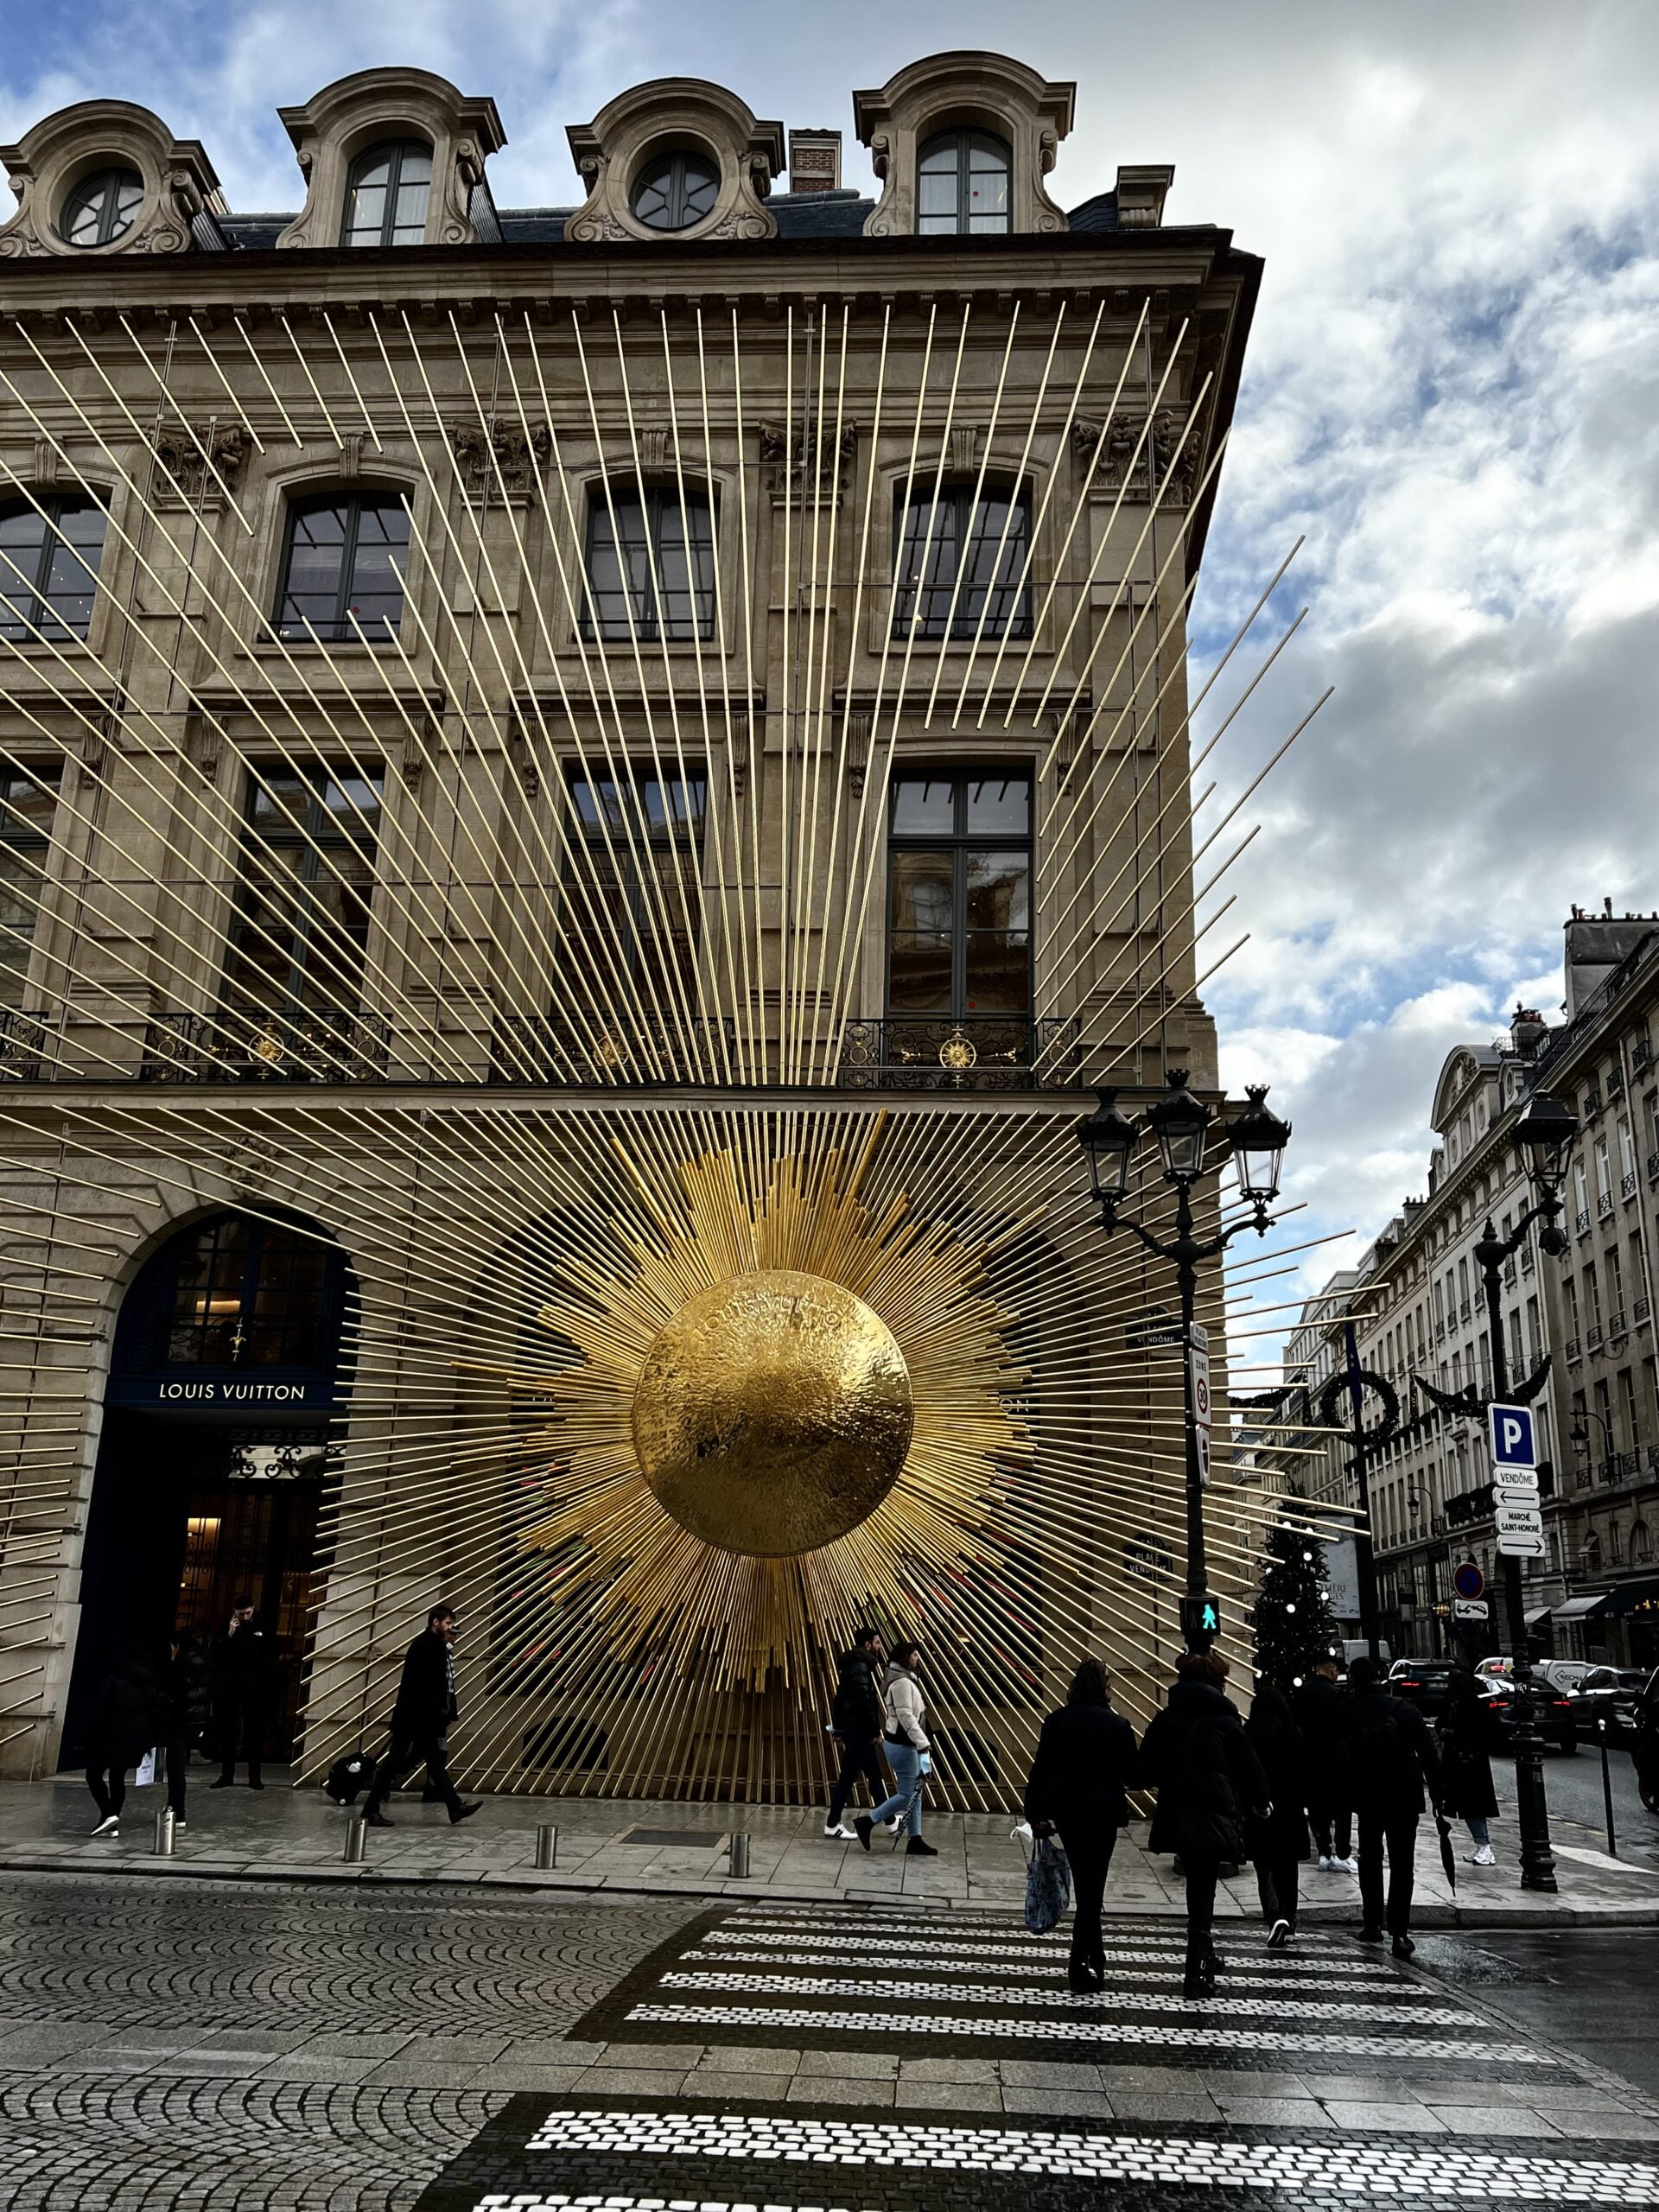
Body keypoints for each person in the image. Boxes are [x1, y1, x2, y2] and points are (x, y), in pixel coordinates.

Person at [1139, 1649, 1269, 1999]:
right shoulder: (1226, 1721)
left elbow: (1143, 1770)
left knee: (1195, 1887)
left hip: (1179, 1812)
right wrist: (1261, 1803)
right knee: (1204, 1889)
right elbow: (1249, 1768)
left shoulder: (1167, 1719)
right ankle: (1198, 1963)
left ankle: (1199, 1958)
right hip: (1215, 1814)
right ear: (1218, 1683)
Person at [1023, 1657, 1139, 1993]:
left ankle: (1096, 1955)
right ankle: (1078, 1962)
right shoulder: (1118, 1726)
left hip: (1068, 1813)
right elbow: (1133, 1774)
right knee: (1093, 1888)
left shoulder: (1056, 1721)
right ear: (1104, 1687)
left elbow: (1040, 1770)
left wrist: (1035, 1813)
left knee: (1087, 1885)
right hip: (1102, 1815)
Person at [1340, 1653, 1442, 1957]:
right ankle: (1399, 1931)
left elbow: (1339, 1757)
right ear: (1378, 1677)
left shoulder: (1347, 1711)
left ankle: (1372, 1924)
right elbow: (1428, 1753)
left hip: (1367, 1794)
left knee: (1370, 1858)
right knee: (1402, 1864)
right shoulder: (1402, 1709)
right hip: (1403, 1794)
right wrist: (1438, 1795)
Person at [363, 1605, 481, 1827]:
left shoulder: (434, 1645)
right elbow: (425, 1686)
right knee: (398, 1763)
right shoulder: (426, 1645)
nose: (450, 1628)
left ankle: (454, 1807)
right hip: (416, 1718)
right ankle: (371, 1810)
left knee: (432, 1762)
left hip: (420, 1718)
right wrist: (436, 1714)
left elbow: (441, 1686)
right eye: (447, 1624)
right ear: (435, 1622)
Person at [855, 1638, 936, 1856]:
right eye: (915, 1655)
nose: (918, 1658)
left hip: (905, 1744)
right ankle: (868, 1821)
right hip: (903, 1745)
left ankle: (915, 1839)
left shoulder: (904, 1679)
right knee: (907, 1794)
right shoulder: (901, 1683)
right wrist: (923, 1743)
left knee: (915, 1792)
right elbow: (906, 1717)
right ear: (905, 1658)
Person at [1246, 1681, 1311, 1947]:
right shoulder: (1293, 1733)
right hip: (1290, 1809)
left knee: (1265, 1868)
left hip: (1261, 1809)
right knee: (1288, 1865)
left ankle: (1274, 1916)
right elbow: (1306, 1772)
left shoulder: (1250, 1732)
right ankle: (1290, 1916)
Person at [824, 1625, 893, 1840]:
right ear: (867, 1645)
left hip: (855, 1729)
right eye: (877, 1642)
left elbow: (840, 1698)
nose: (880, 1647)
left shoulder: (853, 1665)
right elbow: (864, 1701)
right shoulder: (861, 1666)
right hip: (859, 1730)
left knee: (868, 1776)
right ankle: (833, 1824)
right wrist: (875, 1730)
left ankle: (890, 1822)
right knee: (859, 1777)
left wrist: (838, 1728)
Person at [84, 1649, 161, 1838]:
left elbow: (98, 1710)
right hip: (136, 1737)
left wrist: (89, 1736)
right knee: (118, 1777)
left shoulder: (114, 1680)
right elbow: (155, 1713)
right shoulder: (149, 1684)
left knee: (93, 1774)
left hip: (111, 1735)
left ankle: (109, 1815)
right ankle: (112, 1822)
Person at [1294, 1656, 1355, 1872]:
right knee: (1341, 1808)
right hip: (1336, 1758)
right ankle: (1343, 1853)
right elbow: (1348, 1726)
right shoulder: (1338, 1695)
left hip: (1310, 1758)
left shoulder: (1302, 1693)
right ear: (1332, 1672)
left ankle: (1323, 1852)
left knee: (1317, 1808)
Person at [1438, 1662, 1499, 1866]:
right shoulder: (1454, 1703)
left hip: (1470, 1762)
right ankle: (1480, 1844)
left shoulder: (1472, 1704)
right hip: (1461, 1760)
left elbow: (1478, 1733)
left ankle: (1485, 1846)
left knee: (1473, 1806)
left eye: (1451, 1682)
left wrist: (1452, 1734)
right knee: (1467, 1806)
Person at [211, 1604, 274, 1789]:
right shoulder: (227, 1625)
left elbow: (271, 1653)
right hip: (230, 1686)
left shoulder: (262, 1626)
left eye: (248, 1613)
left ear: (253, 1609)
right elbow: (215, 1653)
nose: (246, 1617)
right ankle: (226, 1774)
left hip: (254, 1687)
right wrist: (229, 1634)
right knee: (229, 1731)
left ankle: (254, 1775)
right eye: (242, 1614)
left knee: (253, 1732)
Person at [162, 1630, 211, 1826]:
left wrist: (172, 1663)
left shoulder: (181, 1666)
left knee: (175, 1768)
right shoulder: (203, 1663)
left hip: (179, 1721)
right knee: (178, 1767)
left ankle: (177, 1810)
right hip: (196, 1721)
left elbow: (174, 1690)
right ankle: (175, 1808)